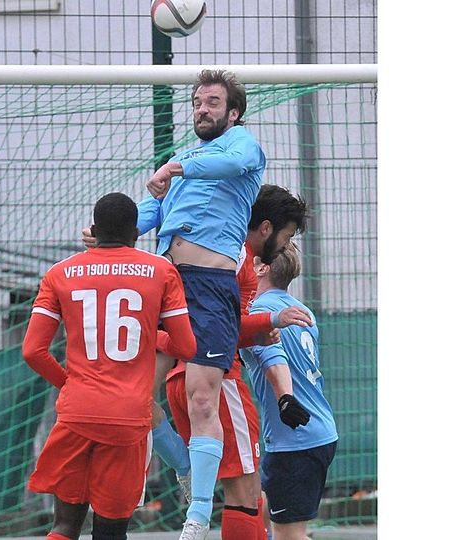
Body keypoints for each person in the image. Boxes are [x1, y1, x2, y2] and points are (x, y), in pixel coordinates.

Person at [122, 68, 266, 540]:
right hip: (166, 283)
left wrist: (174, 169)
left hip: (209, 287)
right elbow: (155, 210)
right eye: (197, 103)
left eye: (211, 102)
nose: (202, 110)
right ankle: (188, 473)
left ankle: (199, 518)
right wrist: (114, 232)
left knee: (202, 397)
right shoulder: (182, 157)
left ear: (233, 111)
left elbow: (220, 167)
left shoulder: (244, 145)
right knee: (138, 395)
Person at [22, 192, 197, 540]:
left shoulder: (60, 273)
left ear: (94, 230)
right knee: (111, 530)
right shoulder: (161, 270)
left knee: (64, 526)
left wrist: (69, 383)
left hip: (77, 412)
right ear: (136, 232)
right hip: (128, 417)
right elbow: (186, 347)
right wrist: (153, 339)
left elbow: (32, 351)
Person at [156, 185, 312, 540]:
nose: (284, 245)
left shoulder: (205, 249)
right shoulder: (237, 258)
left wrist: (255, 331)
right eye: (286, 236)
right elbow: (222, 328)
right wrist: (269, 321)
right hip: (218, 382)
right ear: (266, 228)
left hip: (182, 378)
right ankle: (194, 506)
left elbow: (205, 324)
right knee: (243, 494)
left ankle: (185, 471)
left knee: (248, 491)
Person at [239, 242, 339, 540]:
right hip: (318, 432)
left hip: (295, 439)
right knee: (265, 508)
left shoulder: (259, 313)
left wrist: (285, 397)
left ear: (261, 267)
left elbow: (274, 356)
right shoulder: (302, 310)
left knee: (289, 535)